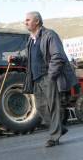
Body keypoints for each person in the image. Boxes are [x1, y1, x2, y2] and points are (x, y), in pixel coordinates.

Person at [12, 11, 77, 147]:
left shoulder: (49, 35)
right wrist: (16, 59)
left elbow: (57, 56)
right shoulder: (31, 40)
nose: (26, 22)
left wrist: (51, 75)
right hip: (36, 79)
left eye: (28, 20)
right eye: (26, 20)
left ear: (37, 21)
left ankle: (54, 137)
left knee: (53, 107)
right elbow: (29, 60)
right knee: (41, 108)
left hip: (48, 77)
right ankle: (59, 128)